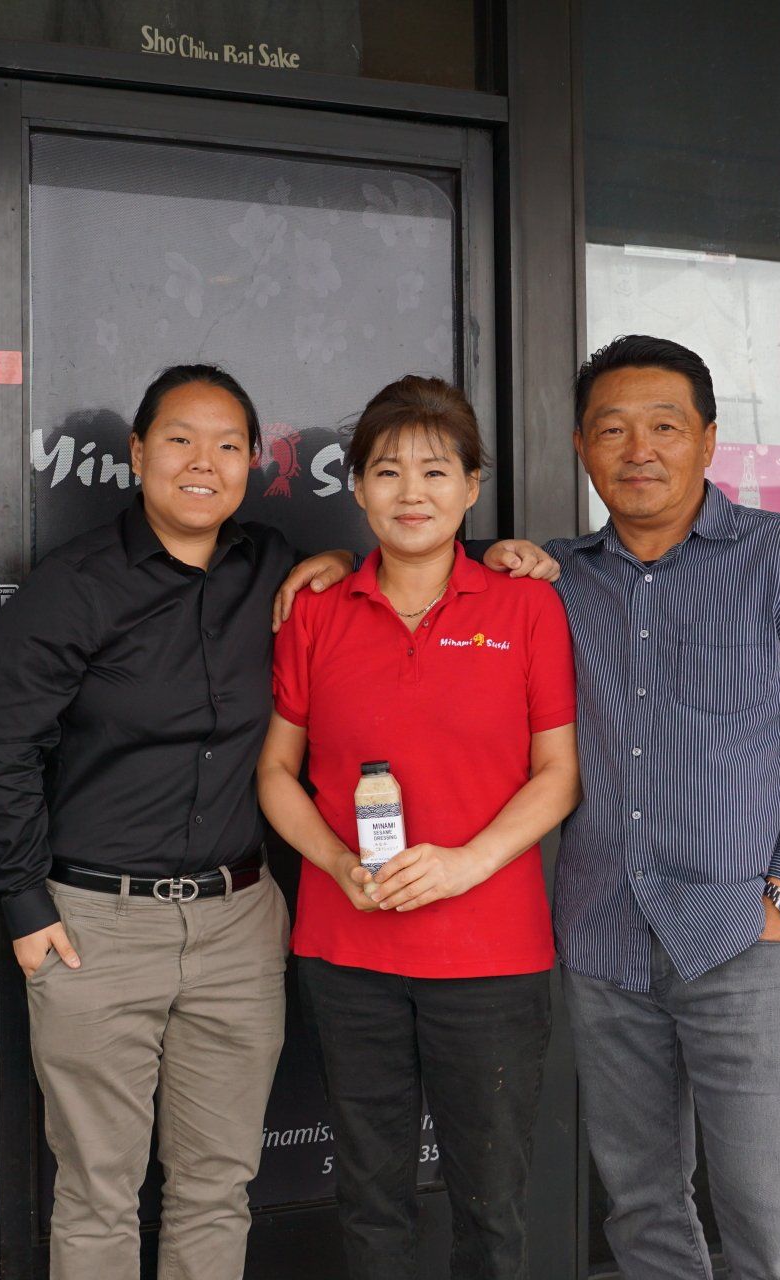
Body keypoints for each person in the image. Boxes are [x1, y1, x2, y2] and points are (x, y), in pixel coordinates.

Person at [0, 364, 558, 1279]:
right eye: (179, 440)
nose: (203, 462)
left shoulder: (281, 570)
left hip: (240, 922)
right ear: (137, 453)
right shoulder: (76, 586)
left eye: (228, 445)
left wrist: (503, 553)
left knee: (218, 1185)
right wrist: (24, 907)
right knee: (97, 1191)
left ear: (252, 463)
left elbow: (548, 756)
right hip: (96, 925)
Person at [490, 335, 780, 1278]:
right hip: (601, 938)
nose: (640, 450)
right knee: (640, 1208)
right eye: (613, 429)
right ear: (582, 447)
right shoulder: (551, 580)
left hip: (741, 935)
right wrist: (326, 573)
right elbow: (417, 569)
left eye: (664, 426)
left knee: (766, 1212)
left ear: (709, 441)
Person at [256, 375, 579, 1280]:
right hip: (347, 949)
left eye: (436, 471)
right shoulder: (314, 612)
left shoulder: (526, 607)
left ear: (471, 487)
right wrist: (334, 858)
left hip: (492, 956)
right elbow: (276, 773)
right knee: (370, 1198)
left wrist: (469, 863)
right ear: (355, 488)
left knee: (492, 1204)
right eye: (387, 471)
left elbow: (558, 776)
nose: (411, 493)